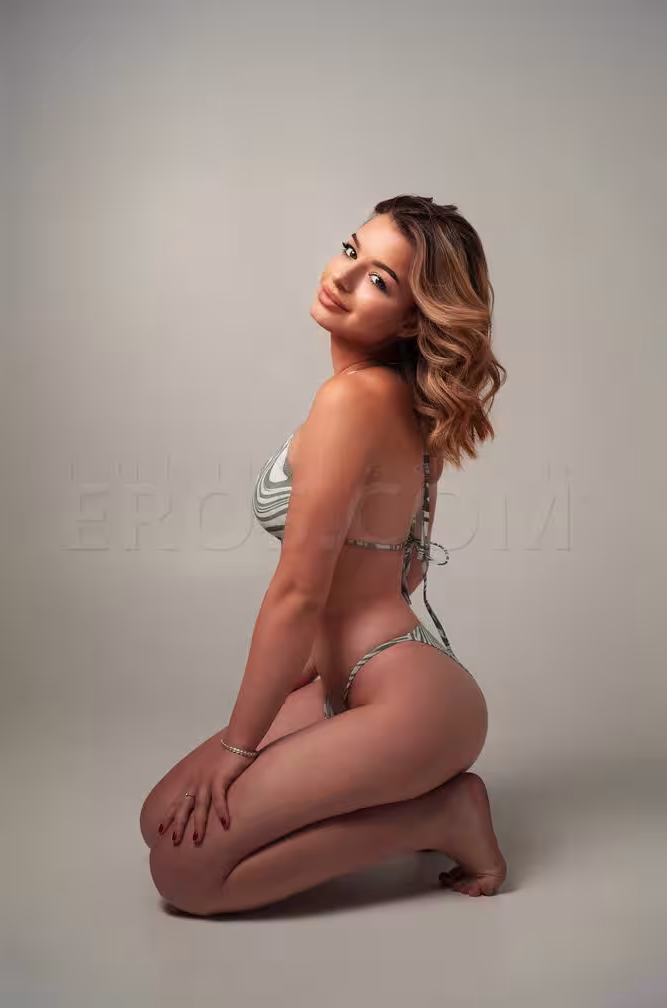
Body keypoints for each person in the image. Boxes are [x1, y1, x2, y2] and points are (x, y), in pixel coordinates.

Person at [140, 194, 508, 915]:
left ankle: (443, 815)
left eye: (378, 280)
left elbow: (298, 593)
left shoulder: (353, 402)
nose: (341, 277)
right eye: (351, 251)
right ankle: (408, 792)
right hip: (350, 681)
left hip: (407, 698)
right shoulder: (400, 398)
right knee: (163, 820)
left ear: (413, 319)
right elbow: (407, 563)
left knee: (187, 876)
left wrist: (240, 749)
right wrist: (319, 669)